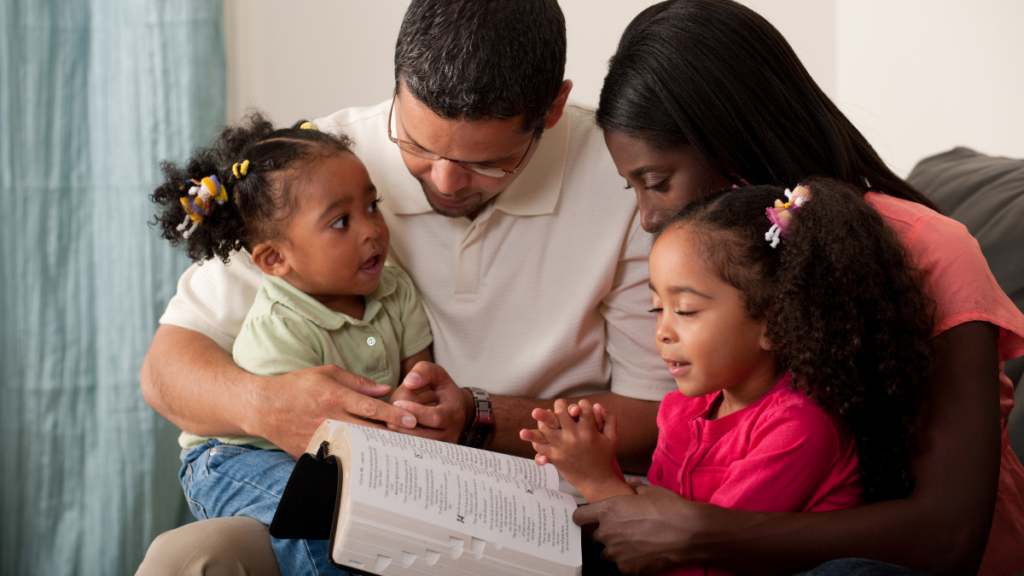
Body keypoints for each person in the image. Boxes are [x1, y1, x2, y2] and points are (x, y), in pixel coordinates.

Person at [135, 1, 674, 574]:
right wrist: (269, 406)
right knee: (191, 558)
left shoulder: (623, 179)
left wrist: (477, 417)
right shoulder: (327, 166)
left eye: (487, 163)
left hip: (537, 511)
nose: (444, 181)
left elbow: (654, 420)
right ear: (398, 86)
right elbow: (165, 372)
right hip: (372, 488)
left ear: (553, 110)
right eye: (417, 145)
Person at [574, 1, 1024, 575]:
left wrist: (707, 533)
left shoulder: (931, 250)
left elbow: (949, 536)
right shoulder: (722, 273)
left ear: (732, 141)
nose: (647, 217)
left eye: (657, 183)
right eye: (631, 189)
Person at [527, 181, 934, 575]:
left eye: (685, 310)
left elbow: (688, 563)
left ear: (775, 324)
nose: (663, 331)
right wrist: (598, 462)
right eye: (657, 308)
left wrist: (597, 482)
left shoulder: (799, 428)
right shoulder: (682, 409)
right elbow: (651, 533)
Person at [148, 113, 434, 575]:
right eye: (341, 221)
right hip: (237, 456)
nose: (371, 229)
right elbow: (304, 438)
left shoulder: (394, 288)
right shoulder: (280, 326)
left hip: (331, 452)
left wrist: (414, 396)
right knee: (317, 514)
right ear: (276, 259)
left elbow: (419, 371)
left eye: (372, 206)